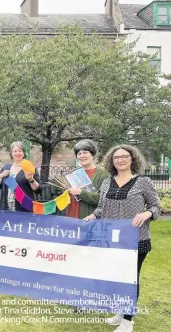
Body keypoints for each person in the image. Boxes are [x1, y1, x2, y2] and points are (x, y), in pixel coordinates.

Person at [84, 145, 160, 332]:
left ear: (132, 159)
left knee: (130, 278)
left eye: (124, 156)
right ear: (112, 161)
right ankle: (120, 311)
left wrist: (147, 214)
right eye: (116, 157)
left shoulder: (143, 182)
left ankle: (128, 320)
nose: (120, 159)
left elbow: (156, 207)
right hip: (111, 240)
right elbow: (101, 208)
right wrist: (93, 216)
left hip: (136, 240)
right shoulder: (106, 183)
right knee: (116, 278)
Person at [0, 141, 42, 212]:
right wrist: (0, 176)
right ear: (11, 153)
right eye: (15, 151)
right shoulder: (6, 168)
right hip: (6, 210)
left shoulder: (30, 168)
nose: (17, 153)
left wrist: (31, 180)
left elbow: (39, 190)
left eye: (20, 151)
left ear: (24, 153)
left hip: (24, 210)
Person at [66, 140, 109, 218]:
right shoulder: (73, 173)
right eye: (79, 153)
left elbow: (104, 199)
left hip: (90, 218)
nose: (82, 156)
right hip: (72, 215)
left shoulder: (103, 173)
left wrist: (81, 193)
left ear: (93, 155)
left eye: (85, 152)